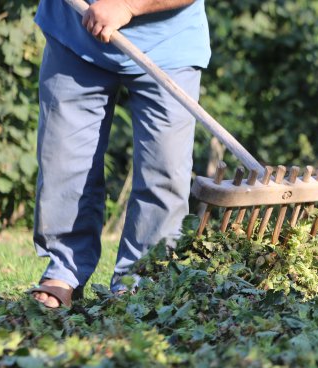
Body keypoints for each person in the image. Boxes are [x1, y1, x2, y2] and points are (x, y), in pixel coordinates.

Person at [30, 0, 210, 308]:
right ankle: (64, 269)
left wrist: (128, 5)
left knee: (164, 171)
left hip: (168, 44)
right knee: (63, 161)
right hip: (75, 31)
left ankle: (141, 278)